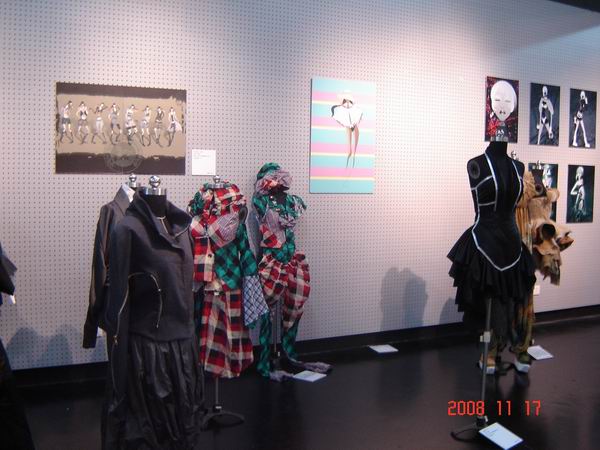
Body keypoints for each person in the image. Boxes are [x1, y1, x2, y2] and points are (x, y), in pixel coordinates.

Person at [331, 92, 363, 167]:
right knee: (349, 131)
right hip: (348, 121)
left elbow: (355, 111)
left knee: (354, 132)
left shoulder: (353, 107)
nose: (347, 102)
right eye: (345, 100)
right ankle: (350, 152)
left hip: (352, 120)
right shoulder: (343, 107)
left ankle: (353, 153)